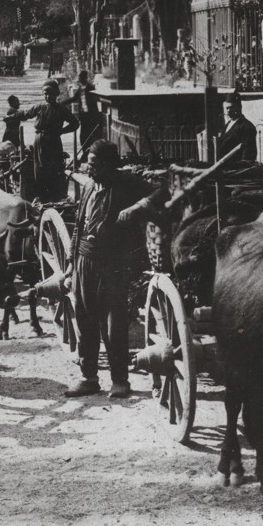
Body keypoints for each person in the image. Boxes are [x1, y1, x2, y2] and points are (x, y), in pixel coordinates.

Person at [64, 140, 156, 399]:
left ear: (106, 164)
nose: (88, 168)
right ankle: (89, 378)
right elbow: (78, 226)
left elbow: (161, 192)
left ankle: (120, 380)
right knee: (85, 319)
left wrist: (135, 208)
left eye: (92, 164)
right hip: (84, 261)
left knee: (113, 323)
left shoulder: (126, 184)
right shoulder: (90, 186)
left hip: (112, 263)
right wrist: (71, 263)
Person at [18, 79, 79, 202]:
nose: (48, 96)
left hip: (53, 143)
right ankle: (42, 198)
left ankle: (55, 198)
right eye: (45, 94)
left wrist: (62, 131)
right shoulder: (40, 107)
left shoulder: (61, 109)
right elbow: (26, 114)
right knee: (39, 170)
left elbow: (75, 123)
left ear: (57, 94)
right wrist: (13, 115)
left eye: (51, 93)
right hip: (39, 142)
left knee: (54, 169)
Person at [215, 92, 257, 164]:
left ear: (239, 107)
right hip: (222, 167)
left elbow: (247, 157)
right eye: (227, 108)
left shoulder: (247, 126)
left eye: (231, 107)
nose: (229, 111)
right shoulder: (228, 124)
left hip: (234, 169)